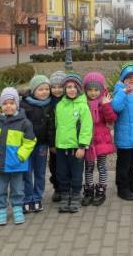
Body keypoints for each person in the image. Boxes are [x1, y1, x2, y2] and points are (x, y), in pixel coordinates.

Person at [0, 87, 36, 226]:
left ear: (17, 104)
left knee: (17, 189)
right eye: (5, 103)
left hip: (16, 164)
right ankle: (2, 210)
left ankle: (17, 208)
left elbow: (30, 142)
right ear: (0, 105)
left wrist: (20, 156)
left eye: (11, 103)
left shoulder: (24, 123)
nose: (8, 106)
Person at [55, 74, 93, 213]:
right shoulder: (60, 105)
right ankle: (65, 196)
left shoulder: (83, 106)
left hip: (76, 148)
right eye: (68, 87)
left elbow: (86, 128)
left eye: (74, 87)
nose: (71, 90)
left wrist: (82, 146)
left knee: (76, 174)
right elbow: (57, 125)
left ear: (79, 89)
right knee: (62, 173)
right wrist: (56, 143)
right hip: (61, 147)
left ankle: (76, 196)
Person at [112, 63, 133, 201]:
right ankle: (122, 188)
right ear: (122, 80)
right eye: (128, 77)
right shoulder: (120, 91)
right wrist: (123, 93)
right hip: (125, 138)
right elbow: (115, 107)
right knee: (123, 165)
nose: (132, 79)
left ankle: (131, 184)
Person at [21, 75, 55, 213]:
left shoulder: (50, 105)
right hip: (27, 145)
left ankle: (37, 197)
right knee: (26, 172)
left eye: (47, 89)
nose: (44, 92)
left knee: (40, 172)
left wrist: (51, 143)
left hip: (42, 145)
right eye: (41, 89)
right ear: (33, 90)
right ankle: (27, 197)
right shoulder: (24, 105)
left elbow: (52, 127)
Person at [81, 72, 116, 206]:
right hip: (88, 139)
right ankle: (89, 189)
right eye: (90, 90)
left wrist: (106, 105)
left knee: (101, 166)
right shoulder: (83, 102)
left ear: (101, 89)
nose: (93, 93)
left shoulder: (104, 101)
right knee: (89, 166)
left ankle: (101, 189)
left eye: (96, 90)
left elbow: (111, 119)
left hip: (101, 139)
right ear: (85, 90)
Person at [48, 71, 66, 202]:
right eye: (53, 87)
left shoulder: (68, 101)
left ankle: (68, 187)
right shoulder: (48, 103)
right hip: (54, 141)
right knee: (55, 166)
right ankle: (57, 188)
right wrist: (51, 144)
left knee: (67, 165)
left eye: (60, 87)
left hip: (67, 140)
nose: (57, 90)